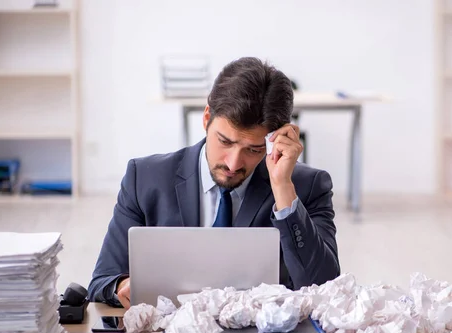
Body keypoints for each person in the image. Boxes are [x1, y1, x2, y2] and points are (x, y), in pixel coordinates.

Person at [88, 57, 341, 309]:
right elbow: (102, 281)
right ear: (207, 117)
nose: (233, 164)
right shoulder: (143, 178)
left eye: (253, 149)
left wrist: (283, 189)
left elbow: (325, 291)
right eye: (225, 142)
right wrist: (122, 285)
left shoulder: (308, 187)